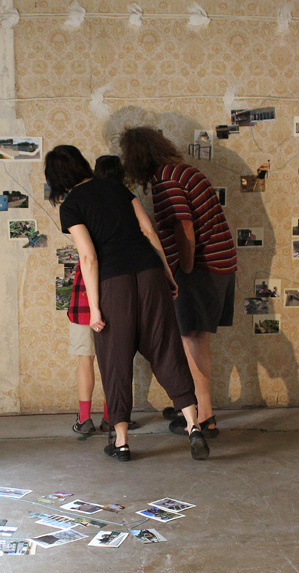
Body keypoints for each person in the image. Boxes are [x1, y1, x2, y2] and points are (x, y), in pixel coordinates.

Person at [45, 145, 208, 461]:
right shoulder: (116, 188)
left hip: (113, 284)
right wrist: (166, 272)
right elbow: (148, 230)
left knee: (115, 359)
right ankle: (193, 425)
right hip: (149, 272)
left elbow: (89, 258)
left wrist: (94, 308)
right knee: (166, 349)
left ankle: (121, 442)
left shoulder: (71, 205)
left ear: (57, 177)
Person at [118, 127, 237, 439]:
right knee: (194, 338)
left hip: (201, 268)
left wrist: (183, 272)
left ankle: (205, 417)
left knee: (192, 339)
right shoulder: (184, 171)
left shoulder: (167, 180)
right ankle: (195, 406)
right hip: (218, 263)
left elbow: (184, 229)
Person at [68, 156, 141, 436]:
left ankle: (84, 418)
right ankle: (112, 416)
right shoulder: (124, 203)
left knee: (85, 357)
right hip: (116, 289)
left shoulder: (83, 202)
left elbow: (87, 255)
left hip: (84, 293)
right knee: (116, 360)